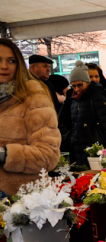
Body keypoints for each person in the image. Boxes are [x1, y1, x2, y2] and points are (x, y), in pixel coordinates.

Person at [0, 39, 60, 196]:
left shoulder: (34, 95)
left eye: (11, 61)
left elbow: (49, 155)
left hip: (25, 203)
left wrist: (5, 155)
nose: (4, 66)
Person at [60, 60, 106, 165]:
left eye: (79, 85)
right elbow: (65, 121)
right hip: (80, 150)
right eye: (73, 86)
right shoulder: (73, 98)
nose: (77, 89)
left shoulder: (98, 96)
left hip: (98, 150)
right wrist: (72, 139)